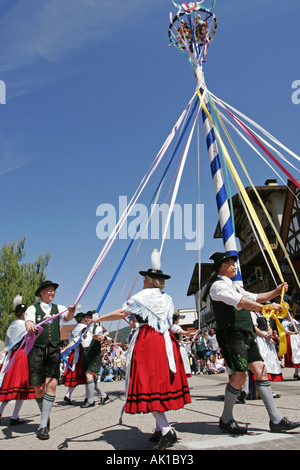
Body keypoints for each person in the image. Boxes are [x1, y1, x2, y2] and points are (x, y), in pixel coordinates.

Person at [94, 249, 191, 450]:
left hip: (148, 343)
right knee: (158, 385)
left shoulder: (142, 296)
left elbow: (122, 311)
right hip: (165, 342)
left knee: (147, 385)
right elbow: (168, 323)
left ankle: (166, 430)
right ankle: (158, 429)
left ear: (149, 280)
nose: (142, 281)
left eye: (144, 278)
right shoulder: (167, 298)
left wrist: (99, 318)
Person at [209, 251, 300, 434]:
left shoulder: (233, 286)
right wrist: (267, 307)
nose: (235, 266)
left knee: (261, 371)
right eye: (232, 264)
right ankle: (226, 418)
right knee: (240, 377)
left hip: (245, 333)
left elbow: (254, 297)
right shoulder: (218, 287)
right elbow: (242, 302)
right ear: (223, 266)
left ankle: (275, 419)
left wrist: (275, 292)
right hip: (231, 334)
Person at [25, 280, 76, 440]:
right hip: (37, 350)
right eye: (49, 291)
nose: (52, 293)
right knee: (39, 388)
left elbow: (67, 317)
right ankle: (44, 416)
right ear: (41, 293)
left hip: (54, 349)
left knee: (52, 384)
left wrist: (72, 311)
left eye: (53, 291)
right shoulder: (32, 309)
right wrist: (29, 326)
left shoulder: (58, 308)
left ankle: (42, 425)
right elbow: (28, 322)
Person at [0, 301, 35, 425]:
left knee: (9, 385)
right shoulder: (24, 325)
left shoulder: (12, 325)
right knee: (21, 386)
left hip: (12, 355)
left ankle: (2, 410)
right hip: (22, 355)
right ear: (25, 313)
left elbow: (9, 342)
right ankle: (14, 416)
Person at [62, 312, 87, 405]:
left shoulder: (74, 328)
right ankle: (88, 397)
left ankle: (68, 395)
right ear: (82, 319)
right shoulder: (84, 328)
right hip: (81, 351)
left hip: (73, 351)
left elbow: (70, 340)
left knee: (75, 374)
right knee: (87, 374)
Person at [171, 313, 192, 377]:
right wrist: (194, 333)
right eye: (177, 318)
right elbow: (184, 332)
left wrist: (186, 339)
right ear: (175, 320)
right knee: (182, 360)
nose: (178, 320)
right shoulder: (174, 327)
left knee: (183, 360)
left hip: (179, 344)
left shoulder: (173, 326)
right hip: (178, 346)